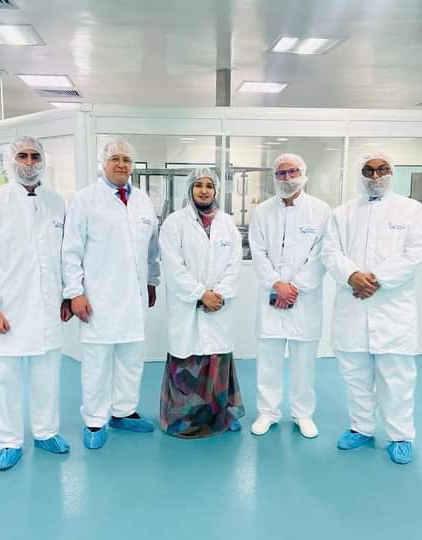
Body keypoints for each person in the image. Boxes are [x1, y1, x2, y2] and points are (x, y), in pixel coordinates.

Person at [0, 135, 71, 471]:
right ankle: (9, 442)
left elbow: (65, 255)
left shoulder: (56, 203)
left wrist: (66, 295)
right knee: (5, 378)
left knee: (47, 374)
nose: (29, 163)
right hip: (7, 307)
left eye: (34, 156)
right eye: (22, 156)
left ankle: (46, 432)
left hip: (48, 305)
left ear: (43, 161)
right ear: (10, 161)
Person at [323, 151, 422, 465]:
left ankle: (400, 435)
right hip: (353, 307)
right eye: (369, 170)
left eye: (382, 169)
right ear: (360, 175)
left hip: (392, 308)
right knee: (355, 374)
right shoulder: (342, 213)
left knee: (396, 378)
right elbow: (330, 253)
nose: (376, 176)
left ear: (391, 172)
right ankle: (362, 428)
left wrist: (376, 279)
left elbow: (416, 253)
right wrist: (352, 276)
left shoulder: (411, 210)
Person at [62, 140, 161, 450]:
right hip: (98, 298)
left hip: (134, 298)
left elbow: (152, 248)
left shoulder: (143, 201)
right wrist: (74, 292)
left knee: (132, 359)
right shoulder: (85, 200)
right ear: (103, 163)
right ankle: (94, 420)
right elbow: (71, 250)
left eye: (127, 160)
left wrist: (152, 281)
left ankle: (123, 412)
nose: (121, 164)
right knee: (97, 363)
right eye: (115, 159)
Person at [248, 153, 331, 439]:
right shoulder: (262, 211)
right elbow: (257, 252)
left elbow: (322, 253)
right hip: (271, 295)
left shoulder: (320, 211)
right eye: (281, 173)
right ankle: (267, 412)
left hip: (304, 299)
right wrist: (276, 284)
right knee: (268, 359)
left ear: (303, 173)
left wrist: (295, 286)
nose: (287, 178)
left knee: (304, 361)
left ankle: (302, 413)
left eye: (292, 171)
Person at [158, 167, 244, 438]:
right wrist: (200, 294)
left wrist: (219, 294)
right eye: (199, 185)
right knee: (188, 361)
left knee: (217, 360)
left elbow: (234, 264)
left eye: (209, 185)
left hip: (218, 306)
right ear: (190, 189)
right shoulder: (175, 223)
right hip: (188, 306)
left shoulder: (227, 224)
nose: (204, 190)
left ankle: (222, 415)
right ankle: (182, 420)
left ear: (216, 190)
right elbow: (173, 267)